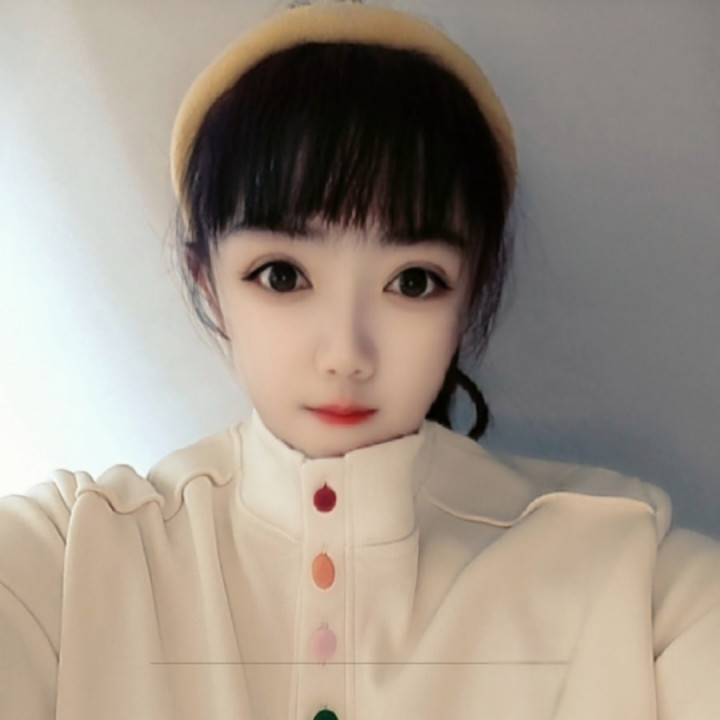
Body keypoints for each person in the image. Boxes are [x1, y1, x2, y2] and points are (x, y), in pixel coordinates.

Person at [1, 1, 718, 718]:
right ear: (208, 285)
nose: (346, 354)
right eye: (282, 275)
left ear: (471, 292)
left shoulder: (634, 580)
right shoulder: (70, 561)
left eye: (414, 281)